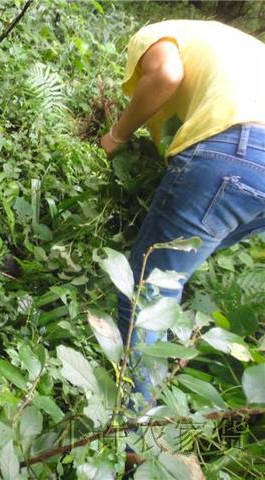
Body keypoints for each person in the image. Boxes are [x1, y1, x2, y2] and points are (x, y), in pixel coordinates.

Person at [100, 20, 265, 403]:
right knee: (175, 269)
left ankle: (133, 430)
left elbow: (167, 74)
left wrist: (116, 136)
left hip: (233, 147)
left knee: (148, 289)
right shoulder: (241, 50)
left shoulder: (157, 33)